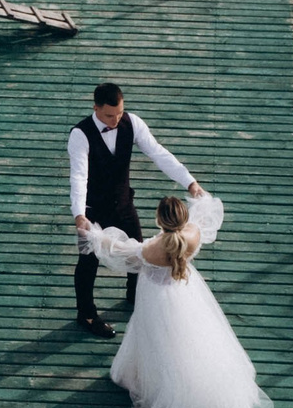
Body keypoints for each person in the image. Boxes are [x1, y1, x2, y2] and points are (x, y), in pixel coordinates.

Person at [84, 194, 285, 408]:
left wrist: (93, 234)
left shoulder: (150, 249)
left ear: (159, 220)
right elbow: (204, 217)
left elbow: (117, 250)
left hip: (156, 302)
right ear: (182, 219)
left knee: (157, 343)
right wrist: (198, 193)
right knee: (192, 343)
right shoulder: (192, 235)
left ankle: (157, 386)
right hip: (185, 295)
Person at [68, 82, 202, 337]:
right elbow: (79, 176)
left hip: (124, 203)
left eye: (119, 113)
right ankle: (85, 314)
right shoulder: (80, 135)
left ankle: (135, 296)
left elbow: (159, 154)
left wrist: (190, 181)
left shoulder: (132, 123)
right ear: (95, 108)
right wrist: (79, 215)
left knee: (142, 254)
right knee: (88, 262)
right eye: (109, 115)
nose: (116, 120)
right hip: (93, 209)